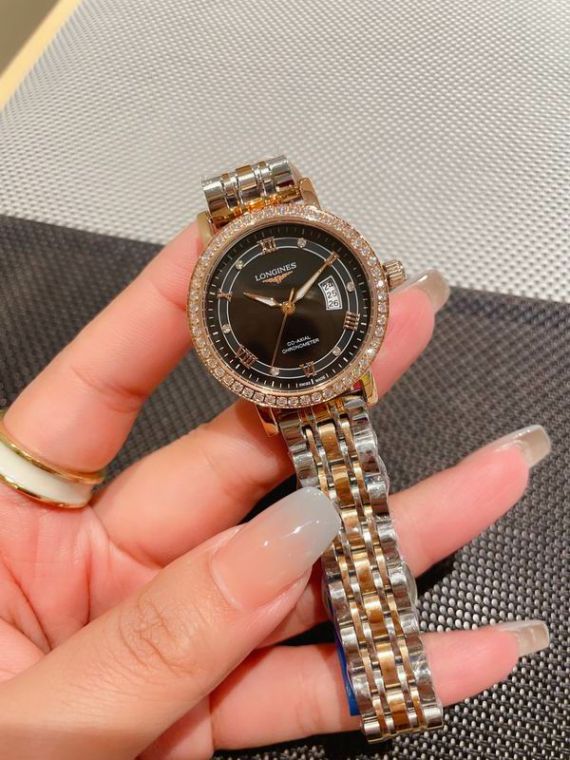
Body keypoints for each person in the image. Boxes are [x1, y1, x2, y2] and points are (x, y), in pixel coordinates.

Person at [0, 223, 550, 759]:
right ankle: (388, 686)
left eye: (297, 298)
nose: (288, 306)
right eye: (275, 305)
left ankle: (389, 685)